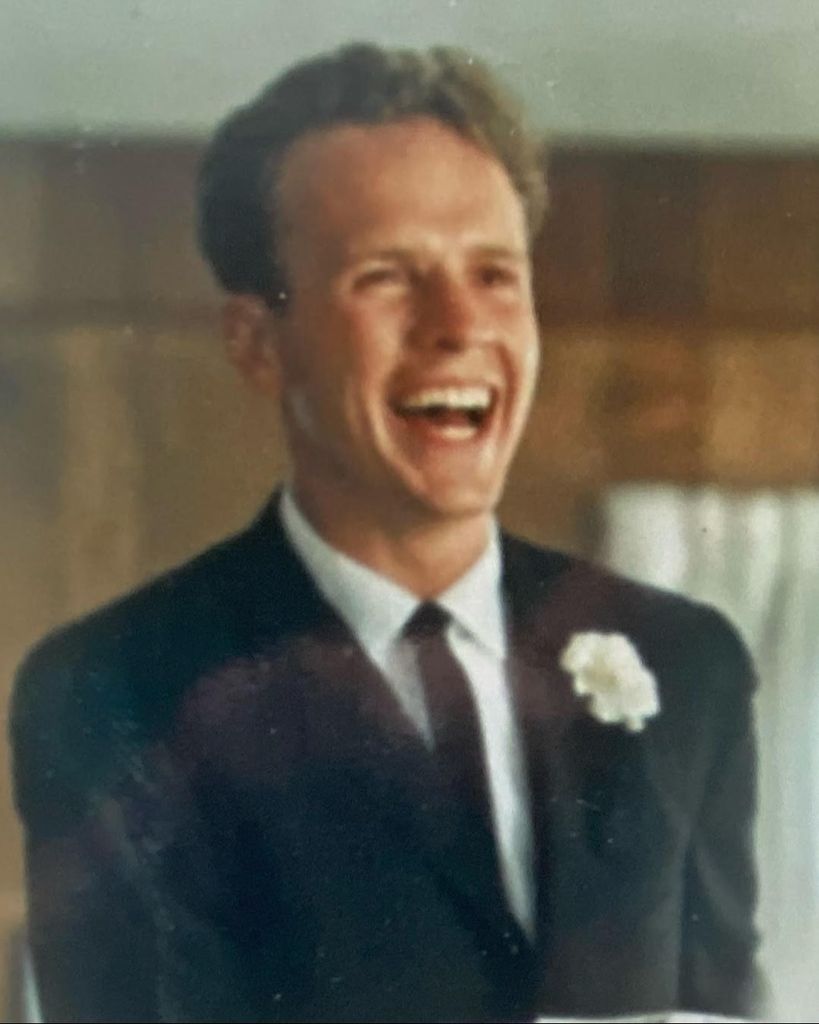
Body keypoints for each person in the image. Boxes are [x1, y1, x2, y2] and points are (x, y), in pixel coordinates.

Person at [10, 43, 763, 1023]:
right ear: (258, 343)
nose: (458, 325)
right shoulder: (113, 691)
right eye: (387, 277)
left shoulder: (687, 662)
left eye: (493, 274)